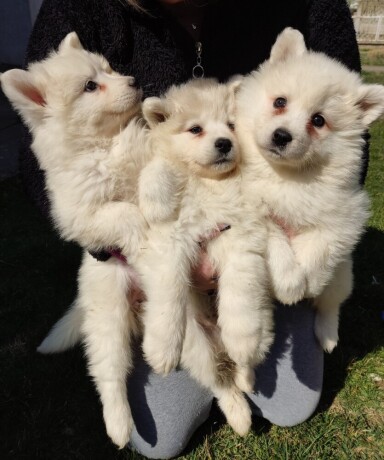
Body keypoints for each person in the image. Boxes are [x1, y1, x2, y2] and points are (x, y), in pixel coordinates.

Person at [22, 1, 363, 458]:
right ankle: (193, 381)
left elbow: (345, 146)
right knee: (160, 431)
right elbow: (46, 165)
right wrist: (125, 246)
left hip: (245, 237)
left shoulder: (307, 12)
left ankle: (241, 355)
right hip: (147, 265)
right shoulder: (80, 12)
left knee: (291, 403)